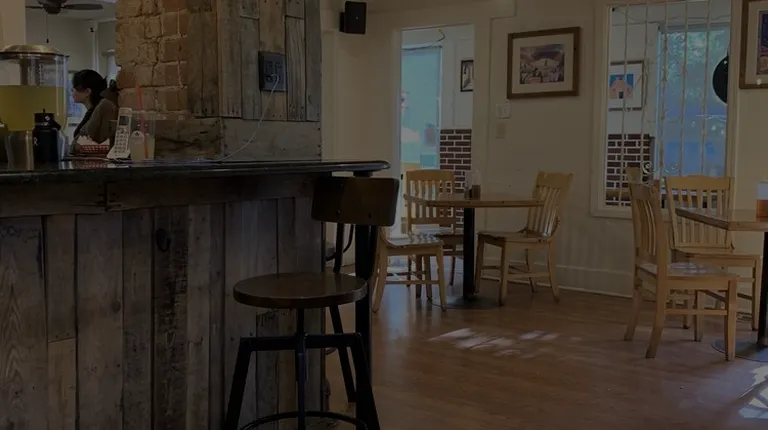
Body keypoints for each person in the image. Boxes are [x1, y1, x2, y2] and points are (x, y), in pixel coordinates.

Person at [71, 69, 118, 144]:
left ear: (87, 91)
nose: (72, 90)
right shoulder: (93, 111)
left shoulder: (102, 109)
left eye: (74, 88)